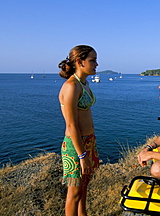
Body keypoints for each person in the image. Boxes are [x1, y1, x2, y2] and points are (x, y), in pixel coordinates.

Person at [58, 45, 100, 216]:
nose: (96, 64)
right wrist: (82, 155)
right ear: (79, 61)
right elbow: (71, 125)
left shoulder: (84, 83)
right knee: (74, 193)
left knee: (84, 188)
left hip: (88, 141)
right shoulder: (71, 87)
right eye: (92, 60)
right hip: (75, 146)